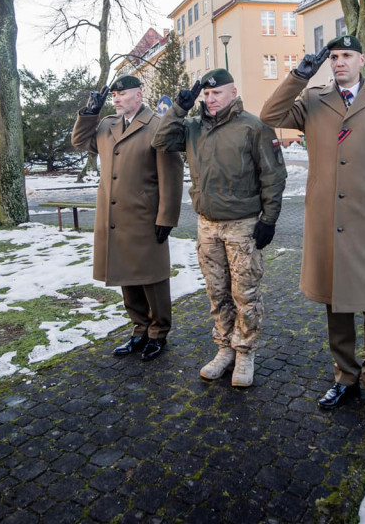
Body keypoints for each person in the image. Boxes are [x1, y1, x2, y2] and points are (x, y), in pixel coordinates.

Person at [261, 35, 365, 422]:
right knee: (335, 301)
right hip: (326, 216)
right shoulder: (313, 99)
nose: (339, 62)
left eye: (346, 55)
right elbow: (269, 115)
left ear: (362, 58)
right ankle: (346, 376)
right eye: (333, 57)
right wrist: (298, 75)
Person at [152, 68, 286, 387]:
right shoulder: (194, 127)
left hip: (242, 226)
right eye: (206, 94)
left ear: (233, 91)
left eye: (217, 93)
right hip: (207, 226)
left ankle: (245, 353)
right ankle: (224, 348)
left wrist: (269, 219)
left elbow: (273, 176)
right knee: (217, 293)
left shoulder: (253, 127)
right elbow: (160, 141)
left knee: (245, 294)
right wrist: (179, 108)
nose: (211, 99)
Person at [71, 74, 183, 362]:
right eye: (114, 96)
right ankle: (139, 328)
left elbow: (171, 175)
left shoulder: (156, 125)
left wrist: (167, 217)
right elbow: (80, 140)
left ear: (139, 94)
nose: (117, 99)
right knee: (126, 275)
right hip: (114, 215)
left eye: (123, 94)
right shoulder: (107, 125)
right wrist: (90, 113)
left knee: (152, 278)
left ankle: (158, 332)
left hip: (146, 216)